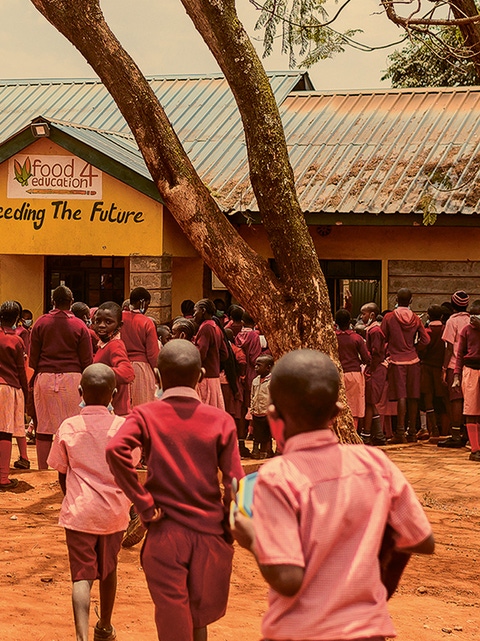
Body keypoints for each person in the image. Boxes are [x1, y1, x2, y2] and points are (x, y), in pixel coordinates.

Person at [233, 349, 435, 641]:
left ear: (274, 415)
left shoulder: (277, 476)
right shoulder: (375, 464)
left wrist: (250, 536)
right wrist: (381, 578)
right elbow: (422, 540)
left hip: (300, 632)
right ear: (339, 411)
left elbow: (288, 580)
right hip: (367, 630)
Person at [106, 340, 244, 641]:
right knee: (198, 616)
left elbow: (116, 449)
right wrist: (229, 528)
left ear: (157, 376)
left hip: (165, 531)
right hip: (209, 532)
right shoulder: (221, 420)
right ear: (201, 375)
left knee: (172, 615)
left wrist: (142, 502)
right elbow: (235, 482)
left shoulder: (146, 415)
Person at [47, 363, 133, 641]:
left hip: (80, 512)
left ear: (81, 391)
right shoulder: (124, 428)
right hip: (114, 512)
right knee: (109, 571)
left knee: (81, 576)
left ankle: (82, 637)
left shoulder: (69, 427)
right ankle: (104, 628)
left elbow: (61, 471)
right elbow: (130, 469)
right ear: (115, 393)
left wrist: (71, 498)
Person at [29, 286, 93, 469]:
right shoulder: (80, 325)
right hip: (73, 378)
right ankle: (71, 467)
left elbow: (33, 358)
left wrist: (32, 383)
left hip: (45, 377)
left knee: (43, 426)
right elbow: (87, 360)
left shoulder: (40, 323)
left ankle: (42, 469)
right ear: (71, 302)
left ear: (52, 301)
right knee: (72, 425)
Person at [381, 289, 430, 443]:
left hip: (396, 360)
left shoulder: (389, 317)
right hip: (413, 360)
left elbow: (382, 336)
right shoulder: (415, 318)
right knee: (413, 396)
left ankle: (400, 432)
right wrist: (415, 347)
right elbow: (426, 340)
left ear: (397, 299)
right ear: (411, 300)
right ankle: (412, 432)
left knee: (401, 395)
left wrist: (388, 350)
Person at [0, 301, 29, 488]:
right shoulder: (16, 340)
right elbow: (20, 370)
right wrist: (26, 393)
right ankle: (3, 478)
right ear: (17, 319)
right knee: (5, 432)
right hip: (8, 388)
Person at [439, 290, 470, 448]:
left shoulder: (452, 321)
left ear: (453, 305)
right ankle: (469, 434)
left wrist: (444, 368)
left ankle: (456, 434)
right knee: (469, 400)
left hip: (454, 365)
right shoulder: (471, 320)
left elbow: (449, 348)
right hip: (470, 366)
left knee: (456, 399)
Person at [93, 302, 135, 417]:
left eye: (108, 322)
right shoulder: (104, 345)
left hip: (115, 412)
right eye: (98, 321)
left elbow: (128, 373)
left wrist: (100, 371)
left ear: (119, 326)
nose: (101, 325)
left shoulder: (115, 345)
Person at [121, 287, 159, 406]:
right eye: (147, 304)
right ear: (142, 302)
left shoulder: (118, 318)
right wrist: (157, 374)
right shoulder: (147, 322)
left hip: (121, 365)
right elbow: (153, 354)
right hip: (142, 369)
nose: (147, 307)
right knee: (142, 406)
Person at [453, 300, 480, 462]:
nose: (474, 318)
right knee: (471, 411)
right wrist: (456, 376)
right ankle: (475, 449)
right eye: (472, 315)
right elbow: (459, 355)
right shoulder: (466, 330)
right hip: (469, 372)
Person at [335, 308, 370, 431]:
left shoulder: (332, 338)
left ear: (336, 322)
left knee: (339, 405)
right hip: (354, 373)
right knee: (355, 406)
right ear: (350, 321)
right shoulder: (356, 338)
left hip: (337, 375)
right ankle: (353, 432)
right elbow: (366, 358)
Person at [418, 304, 447, 442]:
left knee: (428, 397)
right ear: (442, 316)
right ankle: (452, 427)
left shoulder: (427, 331)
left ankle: (434, 429)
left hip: (427, 366)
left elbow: (422, 347)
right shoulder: (444, 329)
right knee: (445, 398)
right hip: (440, 366)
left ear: (428, 316)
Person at [360, 302, 387, 445]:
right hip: (374, 368)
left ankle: (366, 434)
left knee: (370, 402)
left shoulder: (375, 330)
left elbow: (376, 353)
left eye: (363, 314)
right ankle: (379, 435)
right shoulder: (371, 329)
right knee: (371, 402)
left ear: (372, 315)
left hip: (375, 369)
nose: (361, 317)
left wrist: (371, 368)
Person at [193, 298, 228, 409]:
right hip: (214, 377)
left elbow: (200, 353)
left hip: (205, 378)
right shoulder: (216, 327)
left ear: (203, 310)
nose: (194, 315)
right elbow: (224, 354)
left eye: (195, 311)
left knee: (204, 410)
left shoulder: (206, 328)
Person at [248, 354, 275, 459]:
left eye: (259, 365)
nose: (256, 368)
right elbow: (252, 395)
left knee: (266, 433)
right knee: (256, 433)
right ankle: (256, 451)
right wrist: (252, 408)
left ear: (268, 367)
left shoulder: (272, 381)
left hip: (266, 412)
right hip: (256, 412)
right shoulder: (255, 380)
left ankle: (266, 451)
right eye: (255, 365)